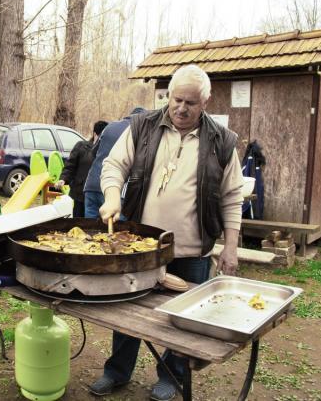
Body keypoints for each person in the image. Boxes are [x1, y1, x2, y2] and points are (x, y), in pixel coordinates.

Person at [90, 64, 243, 401]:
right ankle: (116, 371)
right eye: (176, 100)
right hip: (141, 247)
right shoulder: (142, 127)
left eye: (191, 103)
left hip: (191, 251)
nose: (181, 108)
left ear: (205, 102)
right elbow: (114, 165)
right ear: (167, 95)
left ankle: (171, 377)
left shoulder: (222, 141)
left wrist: (230, 247)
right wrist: (113, 195)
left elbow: (233, 197)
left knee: (185, 321)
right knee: (127, 312)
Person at [83, 107, 145, 218]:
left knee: (90, 228)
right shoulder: (139, 131)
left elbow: (92, 152)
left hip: (91, 185)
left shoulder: (109, 127)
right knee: (115, 231)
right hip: (115, 191)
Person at [55, 120, 108, 217]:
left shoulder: (107, 151)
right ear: (95, 134)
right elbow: (70, 166)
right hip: (79, 193)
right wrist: (63, 179)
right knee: (78, 221)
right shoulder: (81, 146)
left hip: (98, 195)